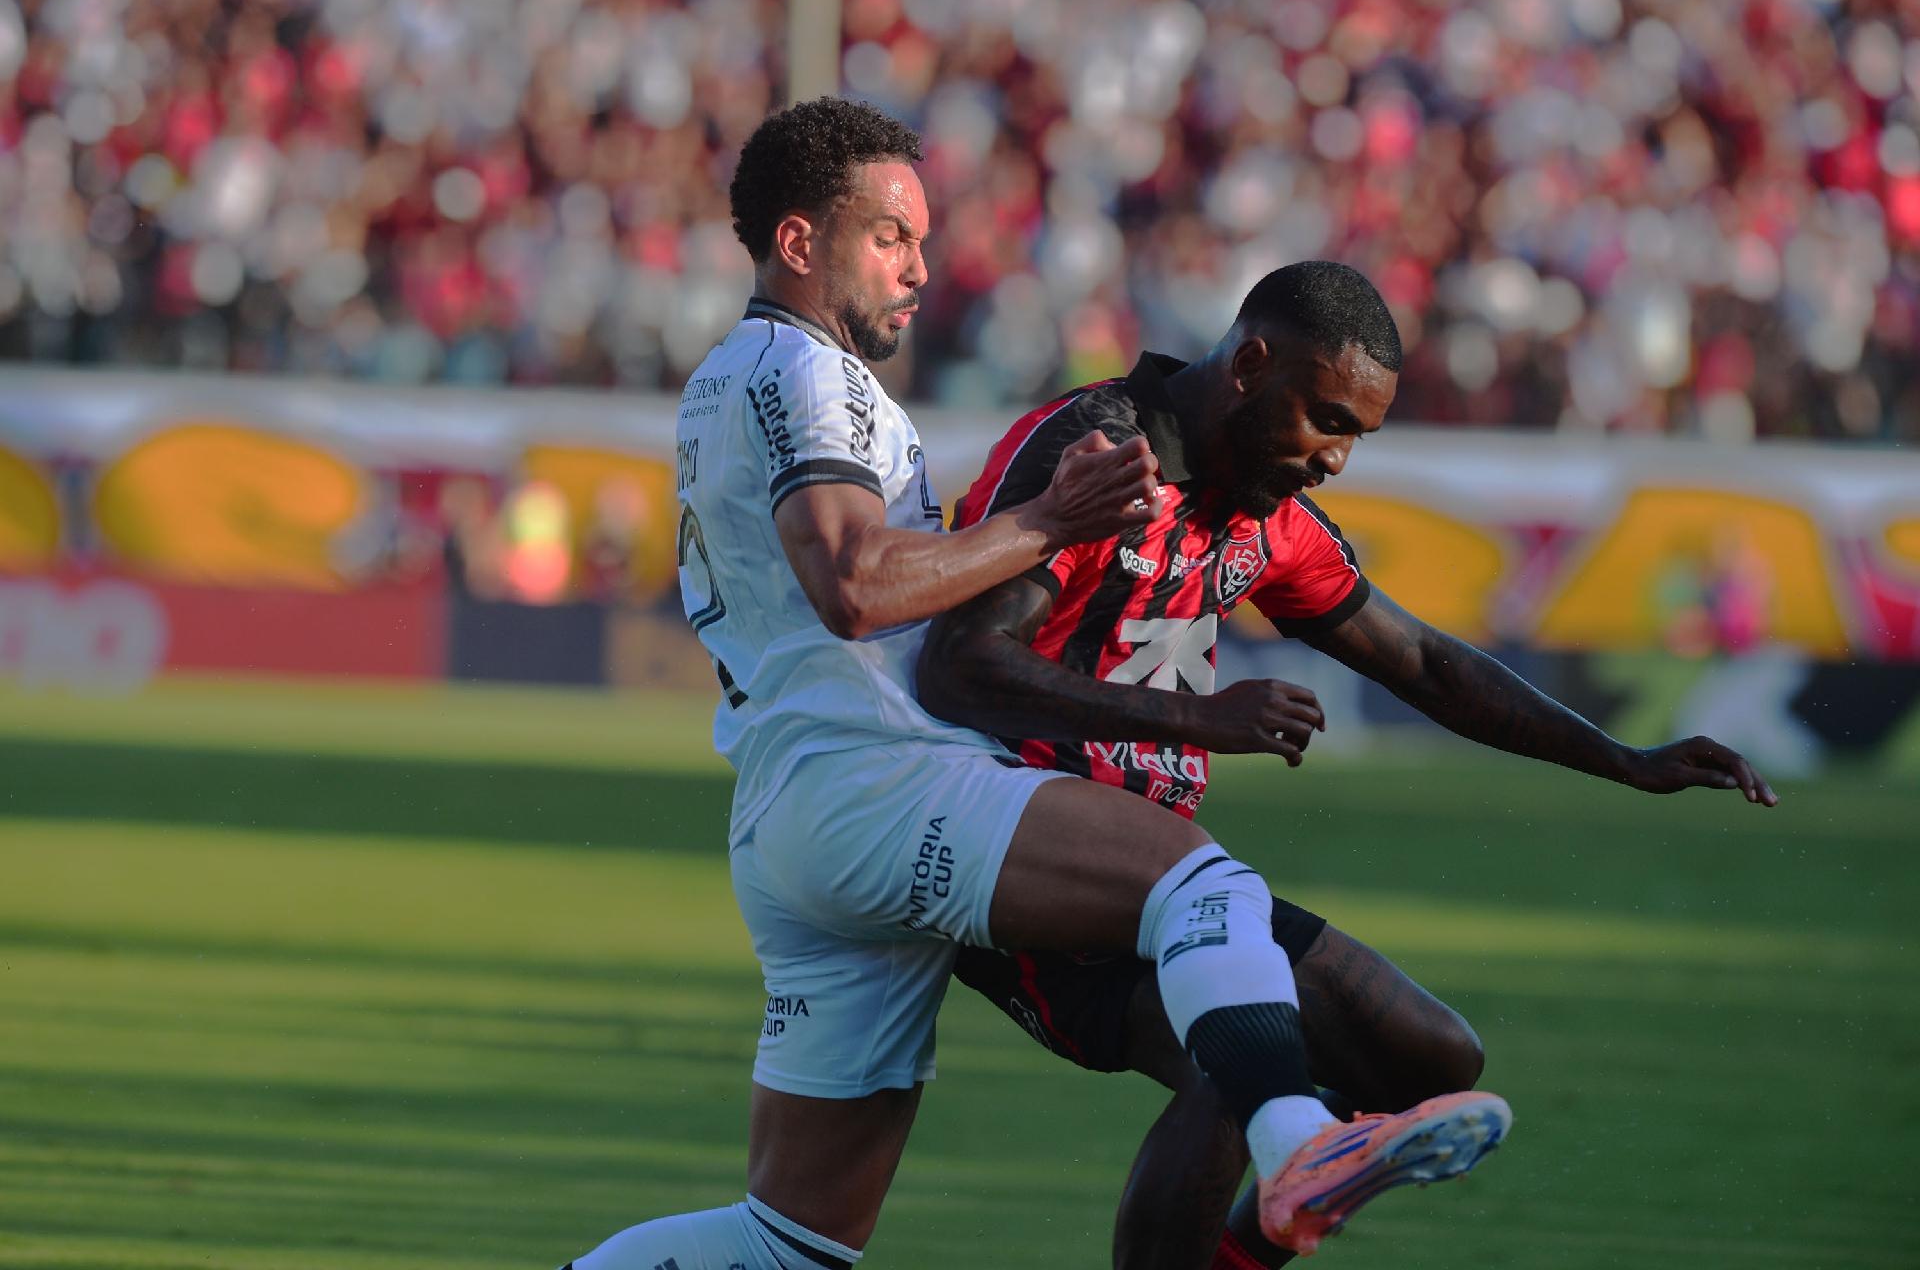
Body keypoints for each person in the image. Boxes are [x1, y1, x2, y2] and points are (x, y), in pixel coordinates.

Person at [563, 98, 1520, 1270]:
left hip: (794, 811)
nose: (919, 269)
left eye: (920, 239)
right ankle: (1297, 1140)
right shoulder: (805, 374)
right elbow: (858, 584)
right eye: (889, 238)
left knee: (786, 1244)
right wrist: (1047, 516)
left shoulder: (744, 377)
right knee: (1197, 880)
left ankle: (1288, 1136)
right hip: (872, 782)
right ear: (801, 243)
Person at [917, 259, 1780, 1268]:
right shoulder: (1097, 452)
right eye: (1326, 419)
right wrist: (1197, 721)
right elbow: (960, 664)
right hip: (1024, 853)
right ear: (1248, 364)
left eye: (1354, 436)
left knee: (1431, 1059)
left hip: (1160, 875)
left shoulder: (1265, 515)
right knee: (1239, 1051)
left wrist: (1622, 759)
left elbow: (1421, 659)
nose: (1335, 459)